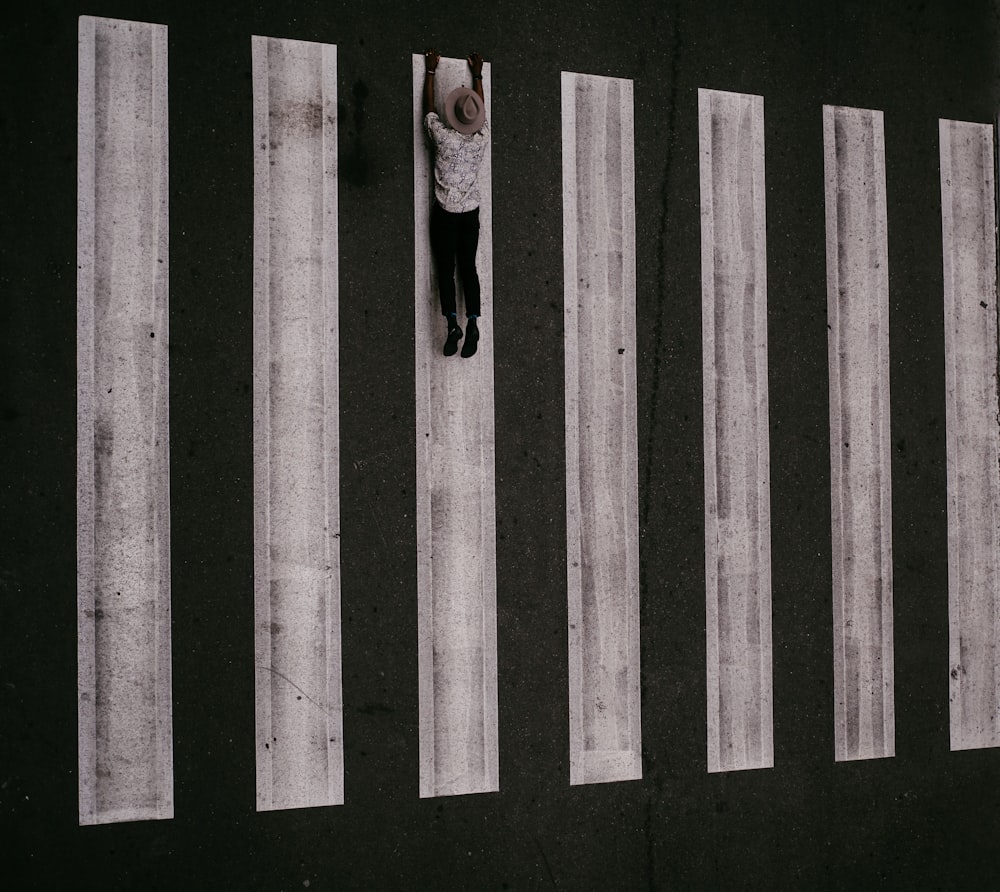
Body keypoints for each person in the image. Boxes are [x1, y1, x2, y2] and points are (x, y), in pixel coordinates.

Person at [423, 49, 490, 357]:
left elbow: (428, 112)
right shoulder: (481, 139)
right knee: (468, 269)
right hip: (470, 213)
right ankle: (473, 319)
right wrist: (477, 74)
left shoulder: (442, 137)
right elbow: (482, 111)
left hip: (445, 215)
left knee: (446, 269)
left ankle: (453, 323)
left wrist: (431, 71)